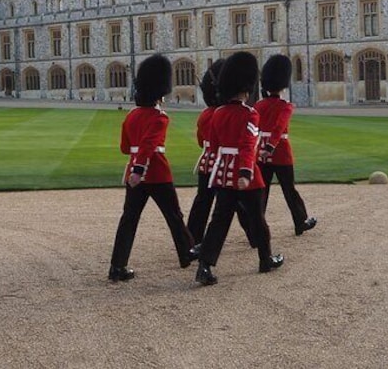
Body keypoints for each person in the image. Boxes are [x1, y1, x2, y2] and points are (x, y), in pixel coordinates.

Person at [195, 51, 284, 286]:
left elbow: (212, 144)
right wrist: (245, 172)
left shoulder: (218, 114)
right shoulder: (250, 114)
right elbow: (247, 146)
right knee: (258, 219)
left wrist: (217, 167)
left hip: (223, 173)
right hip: (245, 174)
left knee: (219, 221)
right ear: (246, 89)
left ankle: (204, 266)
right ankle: (265, 260)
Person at [108, 54, 197, 282]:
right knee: (174, 215)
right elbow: (149, 144)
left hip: (134, 172)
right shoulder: (159, 117)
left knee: (129, 219)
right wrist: (141, 168)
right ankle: (186, 253)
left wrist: (136, 168)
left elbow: (125, 148)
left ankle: (117, 266)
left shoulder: (130, 116)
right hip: (156, 172)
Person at [255, 54, 317, 236]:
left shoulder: (259, 105)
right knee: (289, 190)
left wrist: (263, 148)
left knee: (262, 192)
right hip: (280, 151)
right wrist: (271, 147)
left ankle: (257, 227)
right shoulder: (285, 106)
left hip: (261, 150)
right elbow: (279, 127)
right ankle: (300, 222)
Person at [186, 58, 225, 245]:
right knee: (240, 205)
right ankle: (256, 238)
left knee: (202, 202)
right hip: (225, 164)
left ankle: (193, 237)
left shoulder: (205, 115)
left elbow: (201, 142)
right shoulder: (224, 114)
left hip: (206, 164)